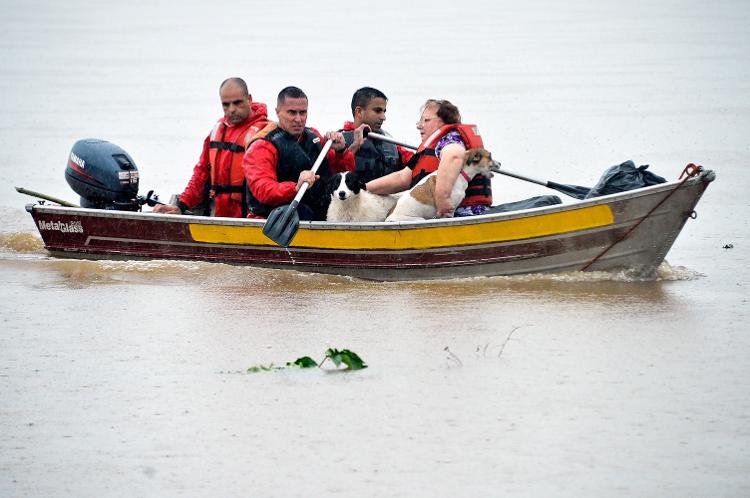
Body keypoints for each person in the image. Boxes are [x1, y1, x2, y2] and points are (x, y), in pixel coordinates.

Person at [153, 77, 269, 217]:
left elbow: (268, 186)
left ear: (249, 99)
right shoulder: (217, 131)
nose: (231, 109)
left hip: (250, 219)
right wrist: (181, 205)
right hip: (218, 216)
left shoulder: (265, 133)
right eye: (226, 105)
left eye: (237, 103)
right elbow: (201, 174)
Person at [366, 99, 492, 217]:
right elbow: (403, 178)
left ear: (444, 122)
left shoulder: (450, 139)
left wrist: (443, 199)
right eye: (420, 121)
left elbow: (454, 155)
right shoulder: (431, 146)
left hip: (465, 213)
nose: (419, 126)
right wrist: (364, 187)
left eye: (426, 120)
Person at [243, 86, 354, 220]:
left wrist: (341, 152)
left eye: (303, 113)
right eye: (291, 113)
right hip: (276, 221)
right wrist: (296, 187)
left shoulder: (314, 136)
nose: (298, 119)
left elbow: (341, 177)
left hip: (316, 216)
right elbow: (263, 190)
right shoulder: (261, 147)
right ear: (278, 112)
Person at [339, 87, 413, 182]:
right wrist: (354, 147)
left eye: (384, 111)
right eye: (378, 111)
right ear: (359, 112)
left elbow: (414, 163)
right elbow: (333, 175)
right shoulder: (336, 142)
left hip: (388, 195)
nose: (383, 117)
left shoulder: (391, 142)